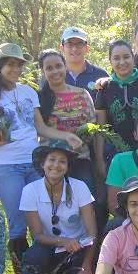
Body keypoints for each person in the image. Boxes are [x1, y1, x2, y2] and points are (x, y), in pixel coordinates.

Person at [0, 42, 82, 274]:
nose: (15, 69)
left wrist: (66, 137)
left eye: (18, 64)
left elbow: (40, 128)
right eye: (10, 64)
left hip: (33, 163)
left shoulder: (28, 92)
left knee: (43, 219)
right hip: (5, 168)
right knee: (18, 223)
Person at [19, 142, 98, 274]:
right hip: (48, 248)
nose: (56, 165)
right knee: (34, 257)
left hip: (79, 249)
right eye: (52, 160)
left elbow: (92, 233)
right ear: (43, 164)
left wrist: (86, 267)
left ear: (68, 167)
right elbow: (37, 235)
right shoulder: (30, 191)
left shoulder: (79, 187)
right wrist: (64, 241)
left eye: (62, 161)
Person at [38, 48, 100, 191]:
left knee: (86, 203)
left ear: (65, 66)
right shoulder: (39, 99)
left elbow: (93, 126)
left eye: (58, 66)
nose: (55, 71)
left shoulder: (82, 94)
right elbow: (38, 130)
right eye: (49, 68)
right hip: (52, 163)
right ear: (43, 71)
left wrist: (83, 138)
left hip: (80, 159)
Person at [59, 26, 108, 94]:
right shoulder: (54, 75)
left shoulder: (100, 74)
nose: (74, 49)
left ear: (87, 48)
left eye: (79, 44)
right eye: (69, 44)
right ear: (62, 48)